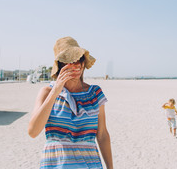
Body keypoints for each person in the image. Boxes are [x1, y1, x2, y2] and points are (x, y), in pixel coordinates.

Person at [28, 36, 113, 169]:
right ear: (60, 65)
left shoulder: (95, 93)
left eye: (79, 59)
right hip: (55, 164)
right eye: (69, 61)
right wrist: (55, 91)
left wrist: (110, 167)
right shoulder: (46, 92)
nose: (76, 64)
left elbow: (102, 135)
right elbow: (33, 131)